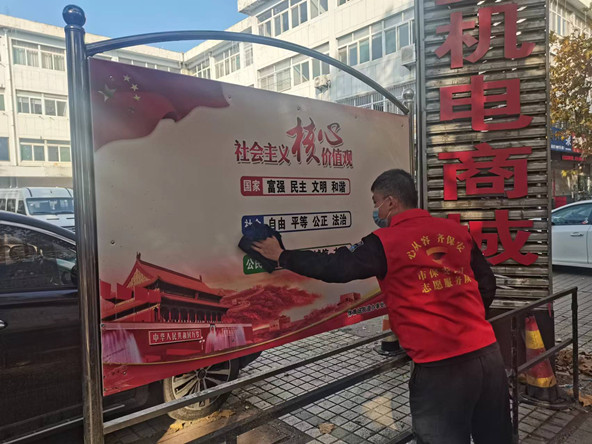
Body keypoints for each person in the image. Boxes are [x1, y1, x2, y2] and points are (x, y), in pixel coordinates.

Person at [252, 169, 512, 444]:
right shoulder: (456, 231)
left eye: (376, 202)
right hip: (489, 357)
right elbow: (487, 283)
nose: (376, 210)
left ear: (390, 202)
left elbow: (335, 266)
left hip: (440, 371)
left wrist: (282, 256)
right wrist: (465, 320)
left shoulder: (385, 242)